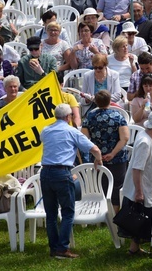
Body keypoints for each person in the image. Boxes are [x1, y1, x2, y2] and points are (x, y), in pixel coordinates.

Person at [39, 103, 102, 259]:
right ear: (68, 117)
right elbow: (94, 149)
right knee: (67, 212)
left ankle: (54, 248)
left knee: (51, 214)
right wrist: (98, 159)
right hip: (62, 173)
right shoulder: (72, 131)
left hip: (45, 172)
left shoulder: (46, 130)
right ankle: (62, 249)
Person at [122, 110, 152, 255]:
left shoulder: (147, 137)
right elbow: (137, 168)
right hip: (143, 187)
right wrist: (139, 192)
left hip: (147, 186)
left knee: (141, 216)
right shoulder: (145, 142)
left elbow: (145, 161)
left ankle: (134, 248)